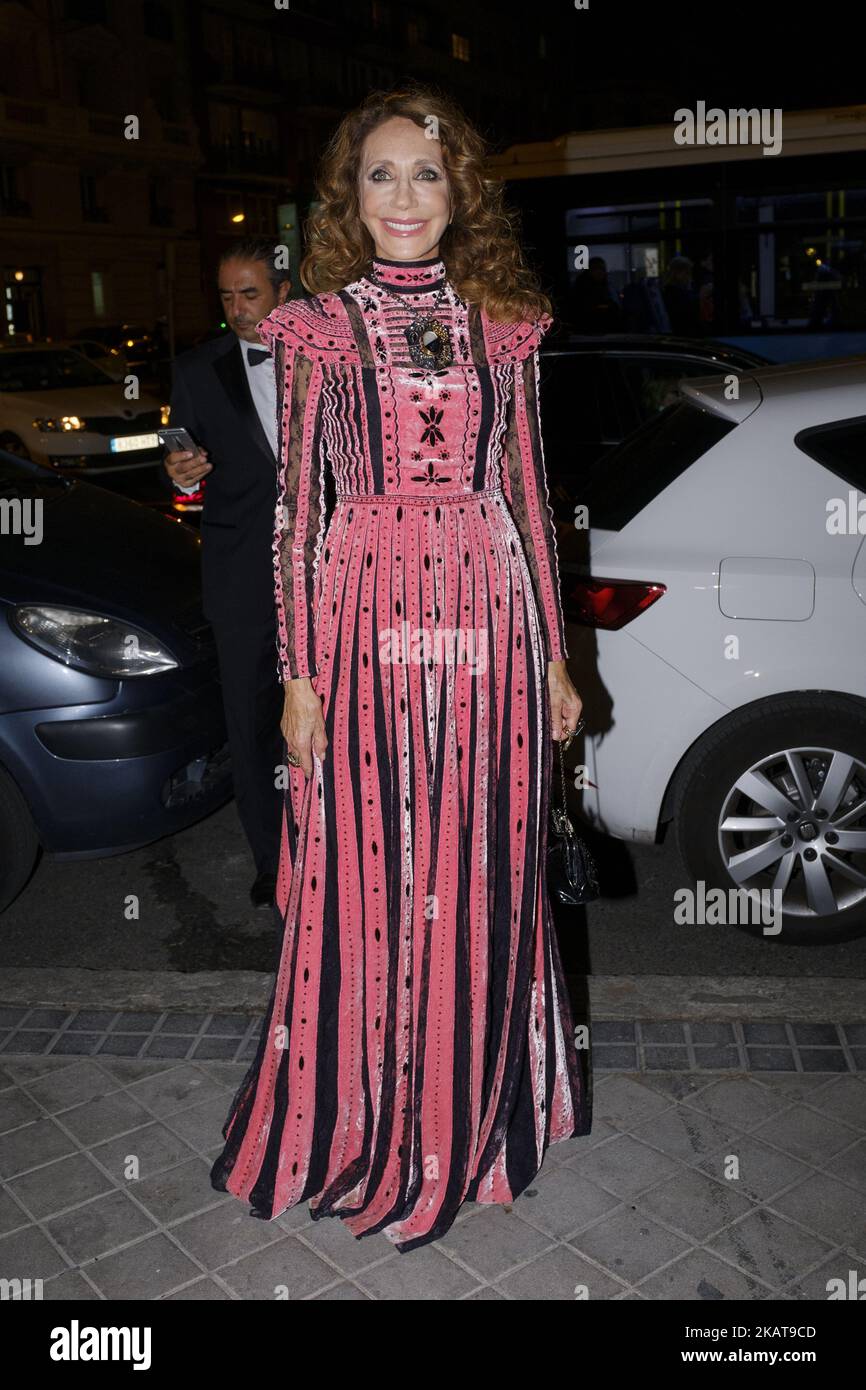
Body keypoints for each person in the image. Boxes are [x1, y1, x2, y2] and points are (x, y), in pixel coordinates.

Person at [209, 84, 592, 1253]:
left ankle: (477, 1108)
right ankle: (365, 1114)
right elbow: (292, 513)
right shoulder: (313, 327)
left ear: (458, 191)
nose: (404, 195)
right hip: (363, 611)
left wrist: (558, 661)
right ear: (349, 196)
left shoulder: (507, 326)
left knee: (479, 858)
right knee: (368, 866)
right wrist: (298, 676)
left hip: (486, 613)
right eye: (380, 173)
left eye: (425, 172)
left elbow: (528, 497)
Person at [163, 241, 291, 908]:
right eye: (227, 297)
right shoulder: (197, 369)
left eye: (250, 294)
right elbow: (180, 457)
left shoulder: (327, 362)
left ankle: (340, 849)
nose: (238, 310)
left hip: (325, 577)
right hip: (241, 578)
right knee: (250, 727)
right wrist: (181, 474)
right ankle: (274, 863)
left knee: (337, 720)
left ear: (282, 291)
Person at [567, 255, 622, 333]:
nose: (599, 272)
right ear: (589, 271)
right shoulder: (582, 288)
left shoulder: (606, 286)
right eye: (595, 269)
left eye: (602, 269)